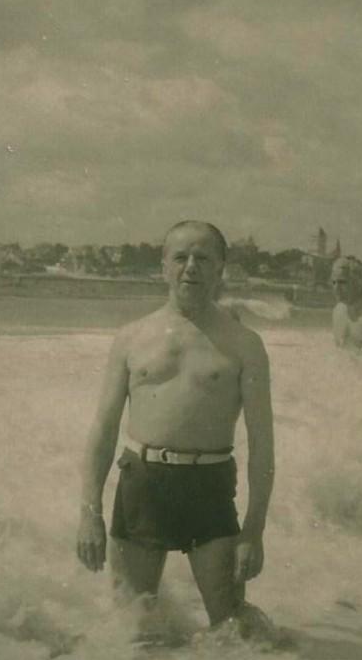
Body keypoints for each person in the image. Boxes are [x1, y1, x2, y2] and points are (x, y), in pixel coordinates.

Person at [76, 220, 274, 630]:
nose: (191, 267)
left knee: (230, 626)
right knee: (134, 627)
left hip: (210, 485)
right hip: (142, 483)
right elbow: (103, 429)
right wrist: (89, 513)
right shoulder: (131, 338)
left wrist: (254, 531)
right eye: (180, 257)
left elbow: (262, 445)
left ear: (220, 268)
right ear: (163, 266)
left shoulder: (244, 344)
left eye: (203, 258)